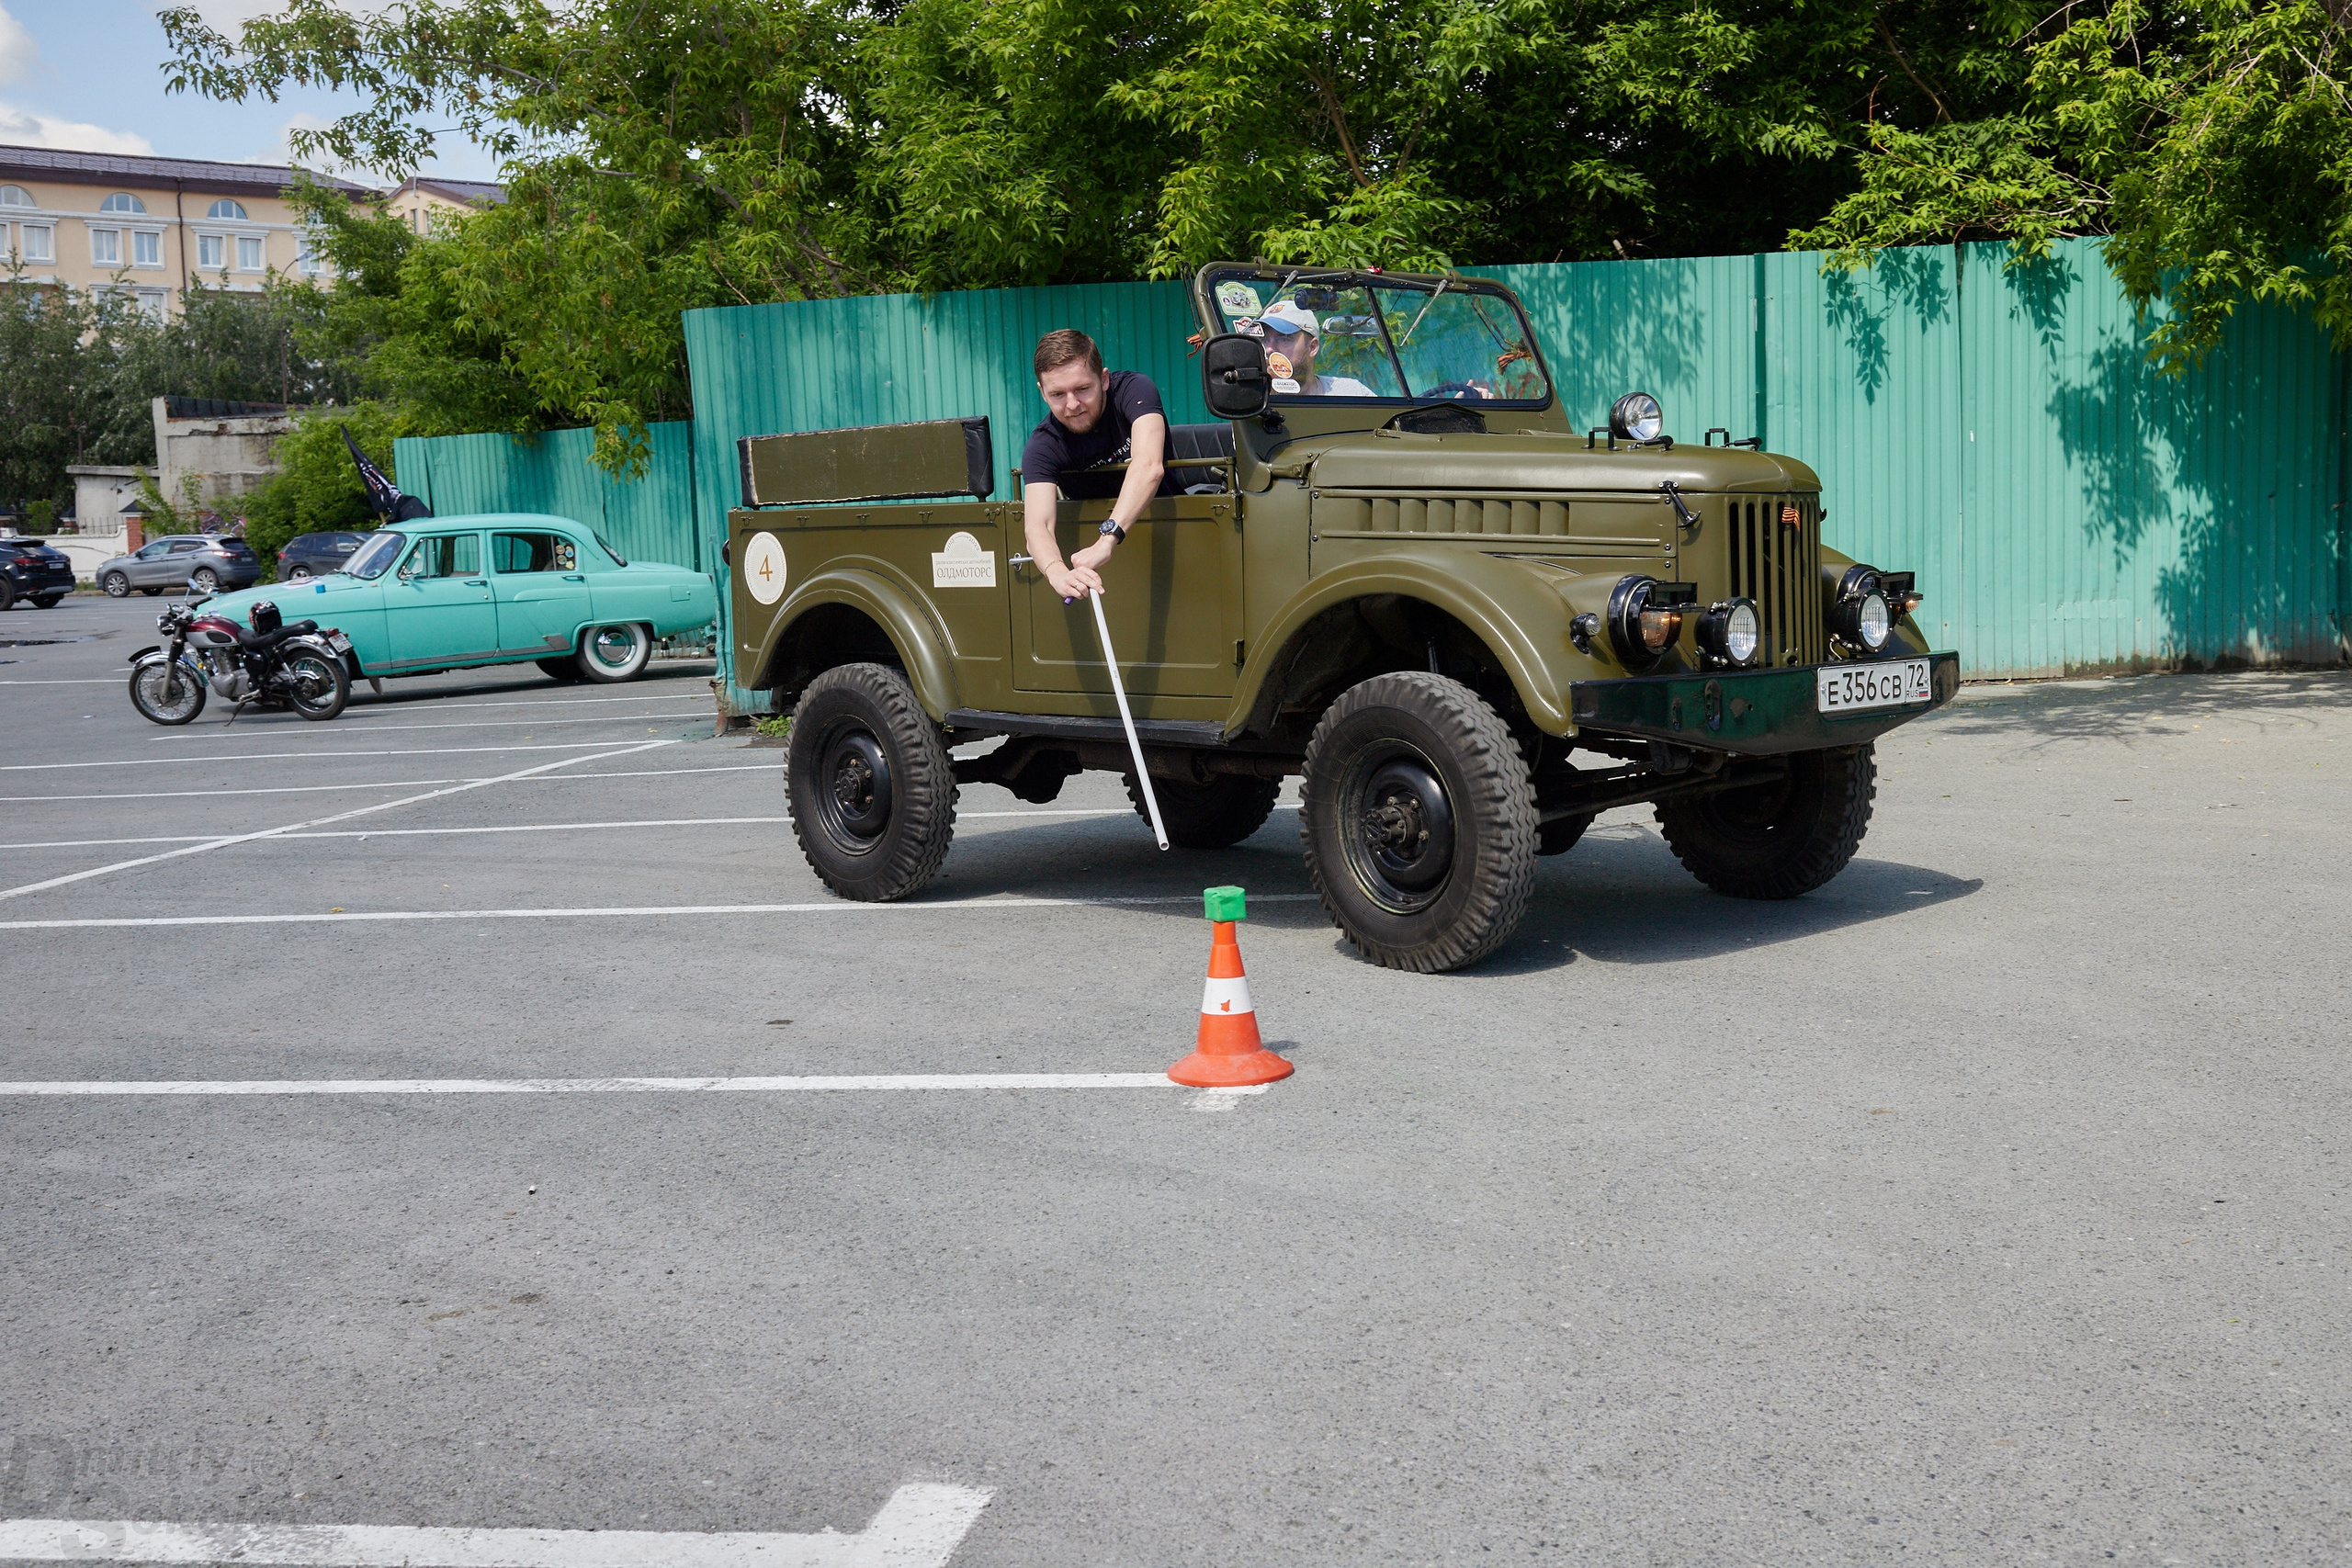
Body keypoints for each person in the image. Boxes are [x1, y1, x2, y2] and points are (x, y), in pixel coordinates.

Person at [1020, 328, 1175, 600]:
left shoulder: (1133, 389)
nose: (1072, 405)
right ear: (1042, 393)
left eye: (1082, 389)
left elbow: (1149, 466)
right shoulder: (1042, 446)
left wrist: (1107, 539)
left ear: (1103, 379)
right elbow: (1037, 526)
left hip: (1173, 537)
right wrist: (1058, 574)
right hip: (1109, 576)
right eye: (1057, 394)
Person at [1251, 299, 1375, 397]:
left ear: (1312, 347)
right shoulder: (1250, 398)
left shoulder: (1350, 394)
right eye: (1265, 339)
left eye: (1284, 338)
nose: (1269, 349)